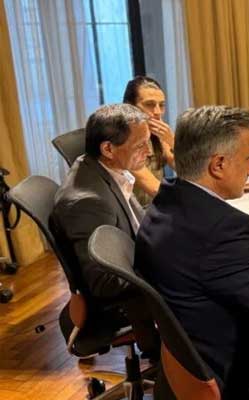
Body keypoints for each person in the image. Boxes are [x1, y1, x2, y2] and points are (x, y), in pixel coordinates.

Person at [135, 106, 249, 399]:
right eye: (248, 158)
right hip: (241, 373)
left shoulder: (164, 204)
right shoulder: (224, 229)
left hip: (188, 362)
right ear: (218, 164)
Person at [50, 103, 158, 355]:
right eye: (141, 145)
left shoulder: (106, 170)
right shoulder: (87, 202)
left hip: (136, 266)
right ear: (108, 149)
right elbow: (104, 282)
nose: (149, 152)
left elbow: (135, 223)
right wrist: (167, 266)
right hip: (125, 305)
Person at [122, 76, 175, 205]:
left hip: (155, 206)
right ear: (130, 107)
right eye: (149, 105)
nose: (158, 112)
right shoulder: (123, 140)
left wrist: (172, 141)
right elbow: (154, 188)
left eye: (161, 105)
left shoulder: (157, 133)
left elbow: (190, 172)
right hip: (135, 212)